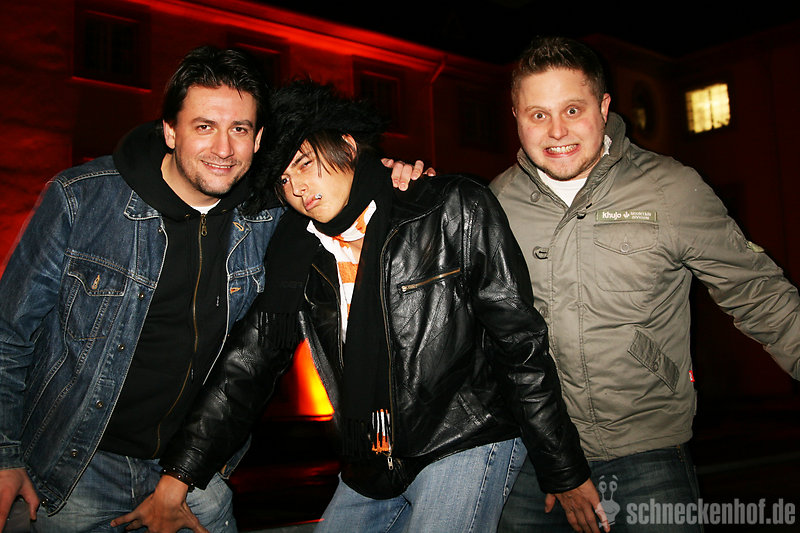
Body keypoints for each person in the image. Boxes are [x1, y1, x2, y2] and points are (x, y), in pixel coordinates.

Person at [119, 80, 610, 533]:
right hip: (371, 458)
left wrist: (562, 469)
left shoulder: (448, 206)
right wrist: (178, 477)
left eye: (305, 163)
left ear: (349, 146)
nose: (298, 189)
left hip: (465, 438)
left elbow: (519, 344)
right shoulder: (300, 255)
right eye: (284, 179)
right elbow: (246, 367)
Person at [0, 45, 422, 533]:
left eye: (239, 129)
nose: (223, 149)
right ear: (170, 130)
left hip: (196, 475)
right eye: (204, 126)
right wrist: (4, 455)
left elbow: (344, 195)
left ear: (258, 139)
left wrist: (389, 175)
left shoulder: (271, 218)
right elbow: (9, 333)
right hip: (77, 468)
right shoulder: (84, 200)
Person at [490, 36, 800, 531]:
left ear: (603, 107)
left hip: (647, 453)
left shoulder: (670, 189)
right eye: (538, 114)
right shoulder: (494, 205)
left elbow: (759, 295)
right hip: (534, 461)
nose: (557, 130)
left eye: (573, 109)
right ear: (516, 117)